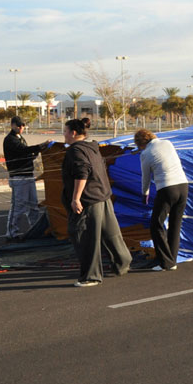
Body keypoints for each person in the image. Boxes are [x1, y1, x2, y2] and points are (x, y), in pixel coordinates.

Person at [62, 117, 131, 287]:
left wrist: (76, 198)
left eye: (65, 131)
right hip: (103, 196)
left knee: (83, 237)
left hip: (88, 200)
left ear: (73, 133)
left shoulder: (75, 151)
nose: (63, 134)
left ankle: (91, 276)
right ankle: (123, 262)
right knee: (111, 233)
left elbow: (82, 173)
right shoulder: (92, 147)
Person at [134, 129, 189, 271]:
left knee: (156, 224)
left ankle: (165, 262)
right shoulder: (168, 143)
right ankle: (172, 260)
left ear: (140, 144)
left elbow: (145, 177)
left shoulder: (145, 154)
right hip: (183, 186)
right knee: (175, 224)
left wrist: (144, 194)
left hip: (167, 188)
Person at [3, 116, 51, 241]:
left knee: (33, 205)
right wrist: (39, 146)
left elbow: (27, 154)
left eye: (23, 125)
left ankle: (35, 230)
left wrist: (36, 152)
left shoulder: (21, 138)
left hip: (28, 175)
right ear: (12, 125)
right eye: (19, 125)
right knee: (18, 206)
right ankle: (12, 233)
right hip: (19, 177)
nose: (21, 128)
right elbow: (23, 150)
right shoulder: (10, 140)